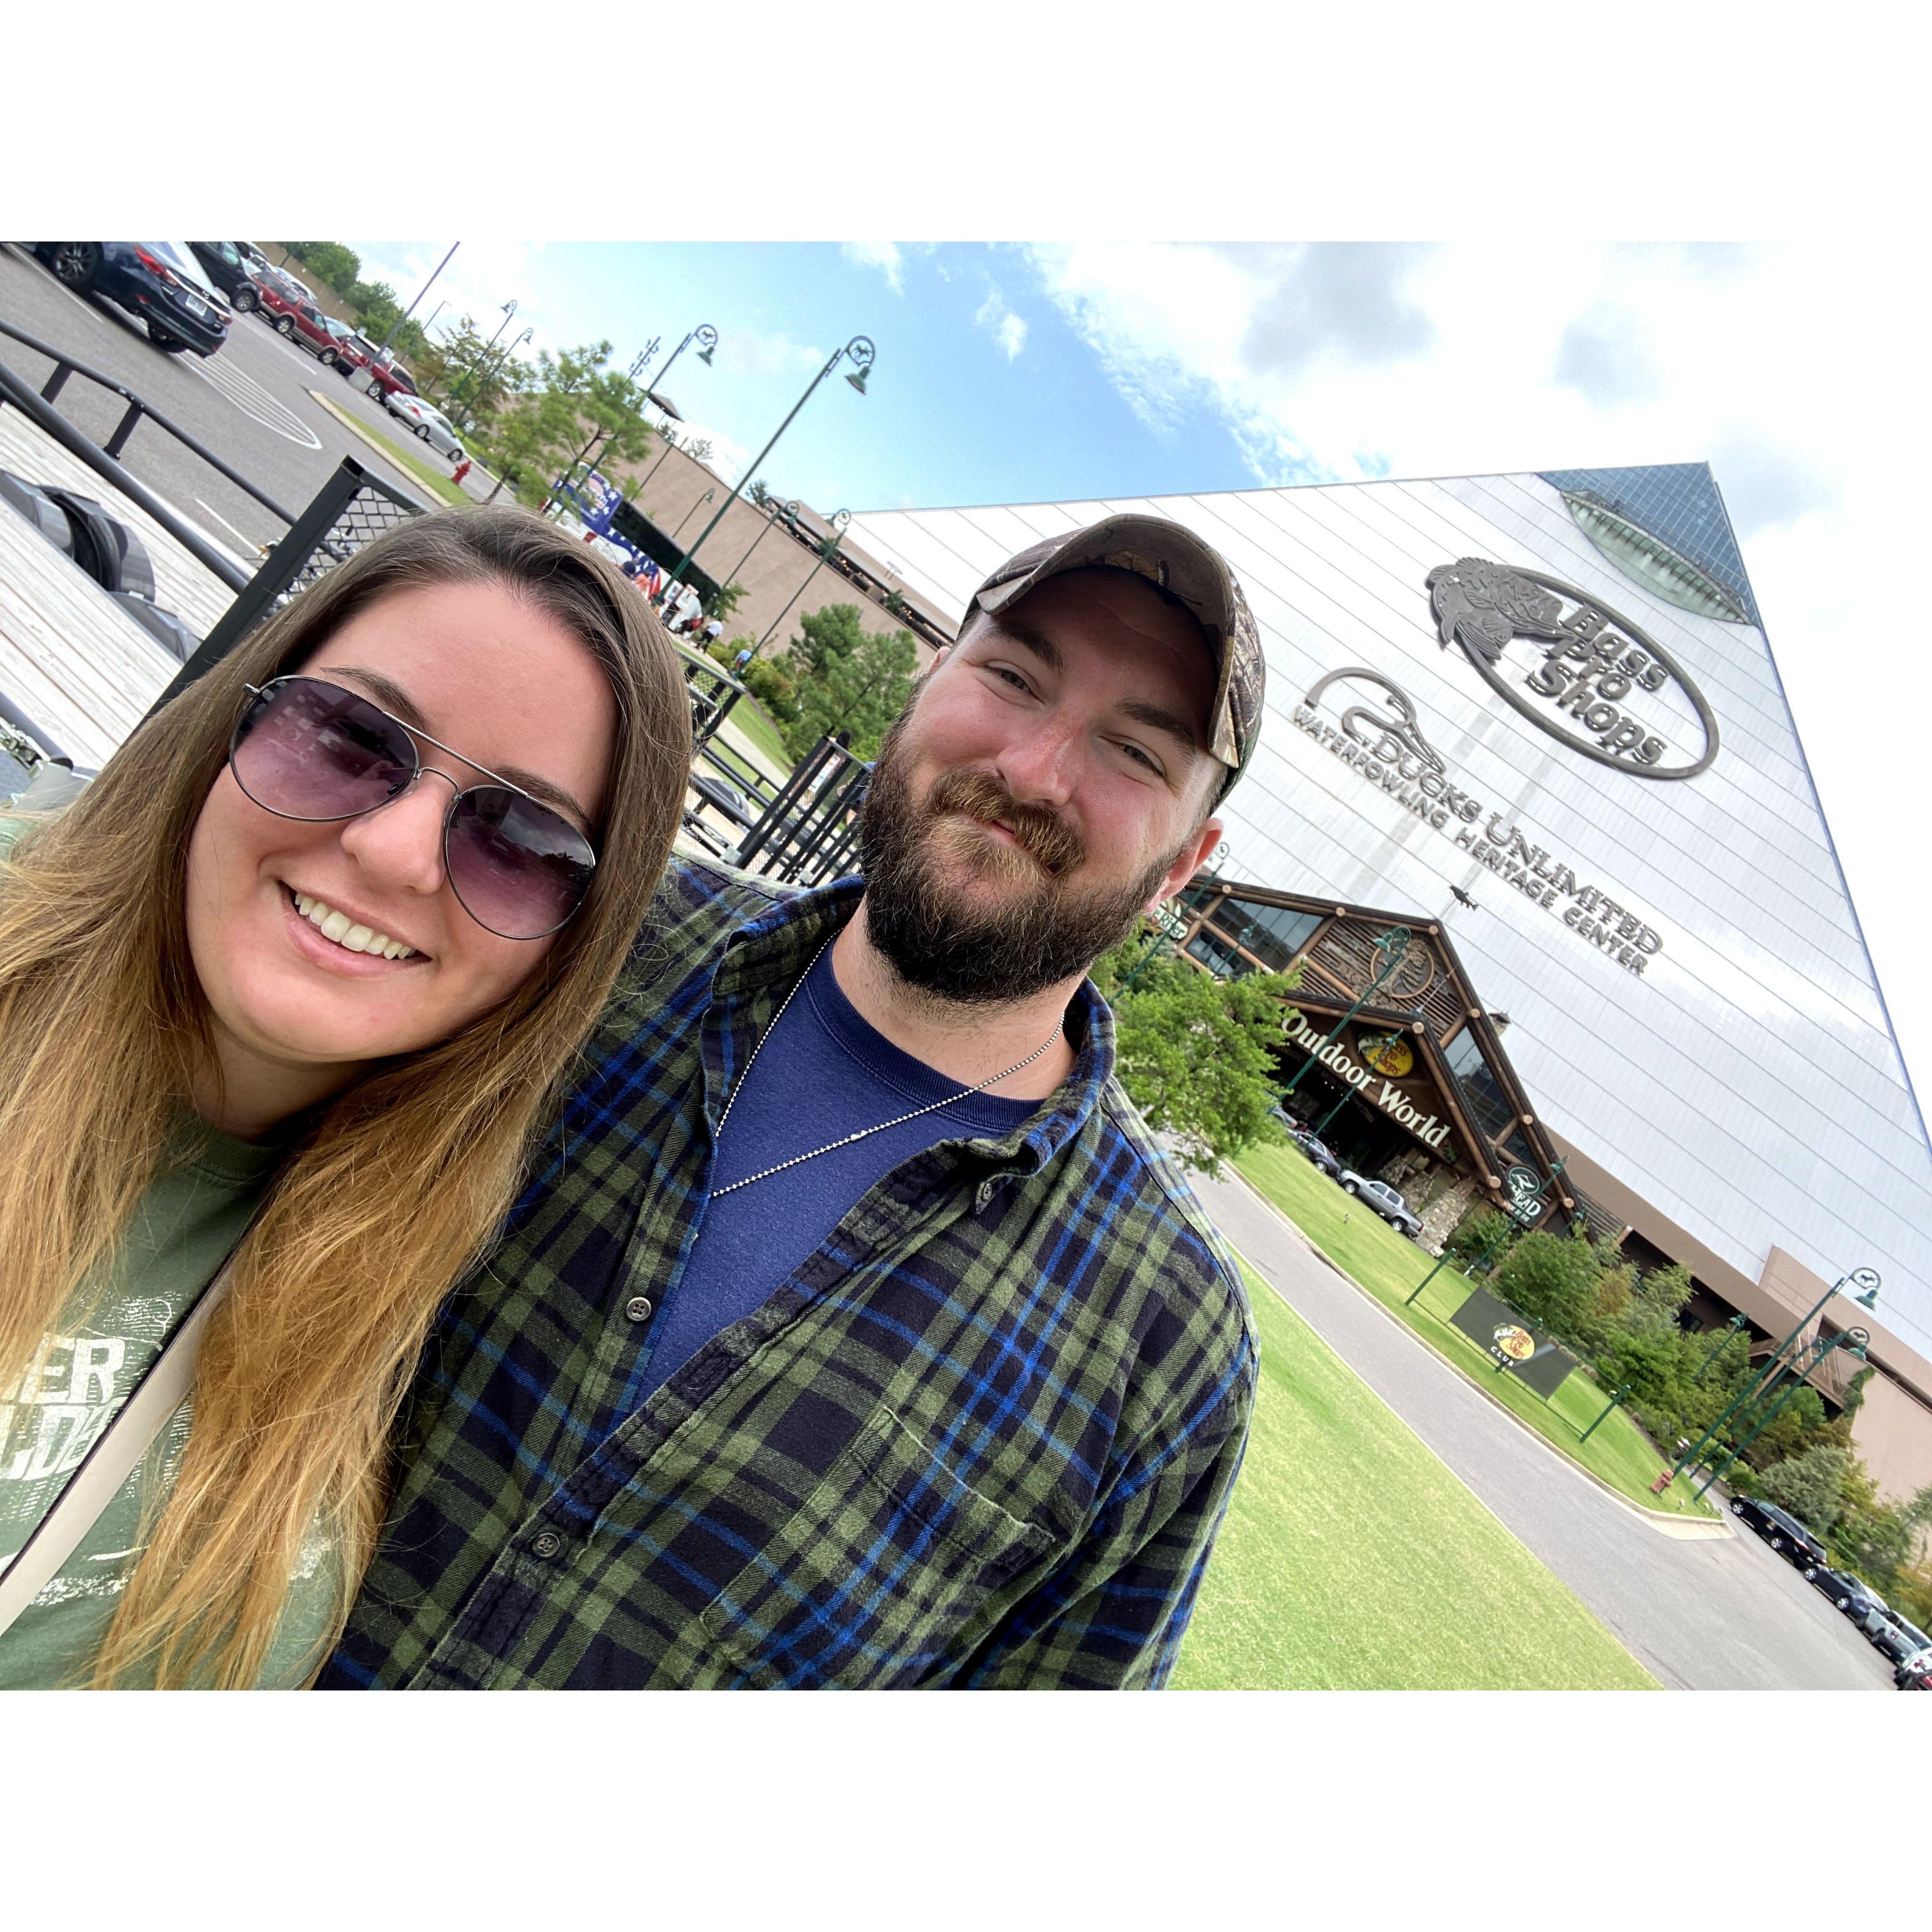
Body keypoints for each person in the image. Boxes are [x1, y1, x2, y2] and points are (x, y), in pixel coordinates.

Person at [326, 513, 1267, 1690]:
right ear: (928, 684)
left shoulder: (1168, 1343)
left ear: (1184, 863)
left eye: (1137, 752)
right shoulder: (588, 935)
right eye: (1014, 677)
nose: (1032, 771)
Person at [0, 506, 691, 1689]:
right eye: (350, 737)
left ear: (571, 949)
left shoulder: (391, 1301)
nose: (394, 850)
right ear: (239, 718)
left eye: (521, 840)